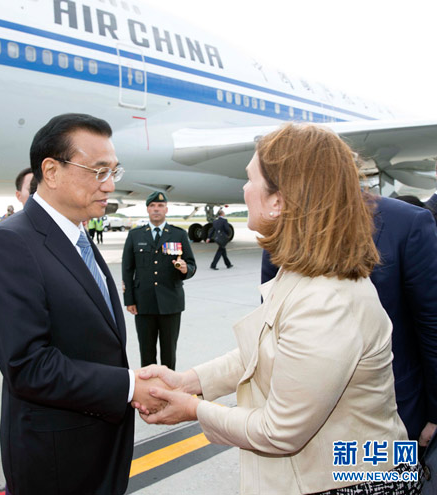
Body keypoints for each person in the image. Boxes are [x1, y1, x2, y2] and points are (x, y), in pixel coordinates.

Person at [135, 124, 422, 494]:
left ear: (278, 200)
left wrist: (192, 409)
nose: (243, 189)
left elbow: (280, 431)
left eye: (250, 179)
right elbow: (258, 353)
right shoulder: (302, 272)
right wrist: (187, 382)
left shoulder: (326, 300)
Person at [0, 113, 166, 495]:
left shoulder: (77, 236)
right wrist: (129, 386)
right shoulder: (10, 243)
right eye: (98, 171)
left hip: (98, 447)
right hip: (57, 462)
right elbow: (28, 366)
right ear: (51, 170)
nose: (110, 185)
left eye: (114, 171)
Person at [262, 191, 437, 449]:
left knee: (396, 485)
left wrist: (434, 415)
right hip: (309, 421)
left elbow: (431, 326)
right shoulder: (282, 229)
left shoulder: (406, 223)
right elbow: (270, 325)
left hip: (392, 419)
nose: (247, 188)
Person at [121, 191, 196, 370]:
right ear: (147, 209)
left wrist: (185, 269)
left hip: (170, 302)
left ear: (166, 209)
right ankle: (150, 391)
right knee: (146, 352)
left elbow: (191, 265)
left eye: (160, 206)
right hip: (143, 302)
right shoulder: (135, 235)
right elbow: (127, 269)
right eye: (153, 206)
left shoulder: (178, 235)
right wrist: (129, 300)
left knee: (169, 351)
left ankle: (168, 390)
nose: (156, 209)